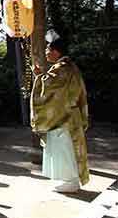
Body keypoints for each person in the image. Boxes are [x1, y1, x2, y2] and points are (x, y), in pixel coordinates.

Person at [31, 33, 89, 193]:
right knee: (67, 148)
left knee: (65, 149)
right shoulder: (68, 67)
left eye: (48, 50)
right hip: (68, 115)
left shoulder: (62, 68)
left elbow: (47, 87)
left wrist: (38, 76)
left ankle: (70, 181)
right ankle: (70, 180)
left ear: (56, 52)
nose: (46, 52)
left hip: (63, 117)